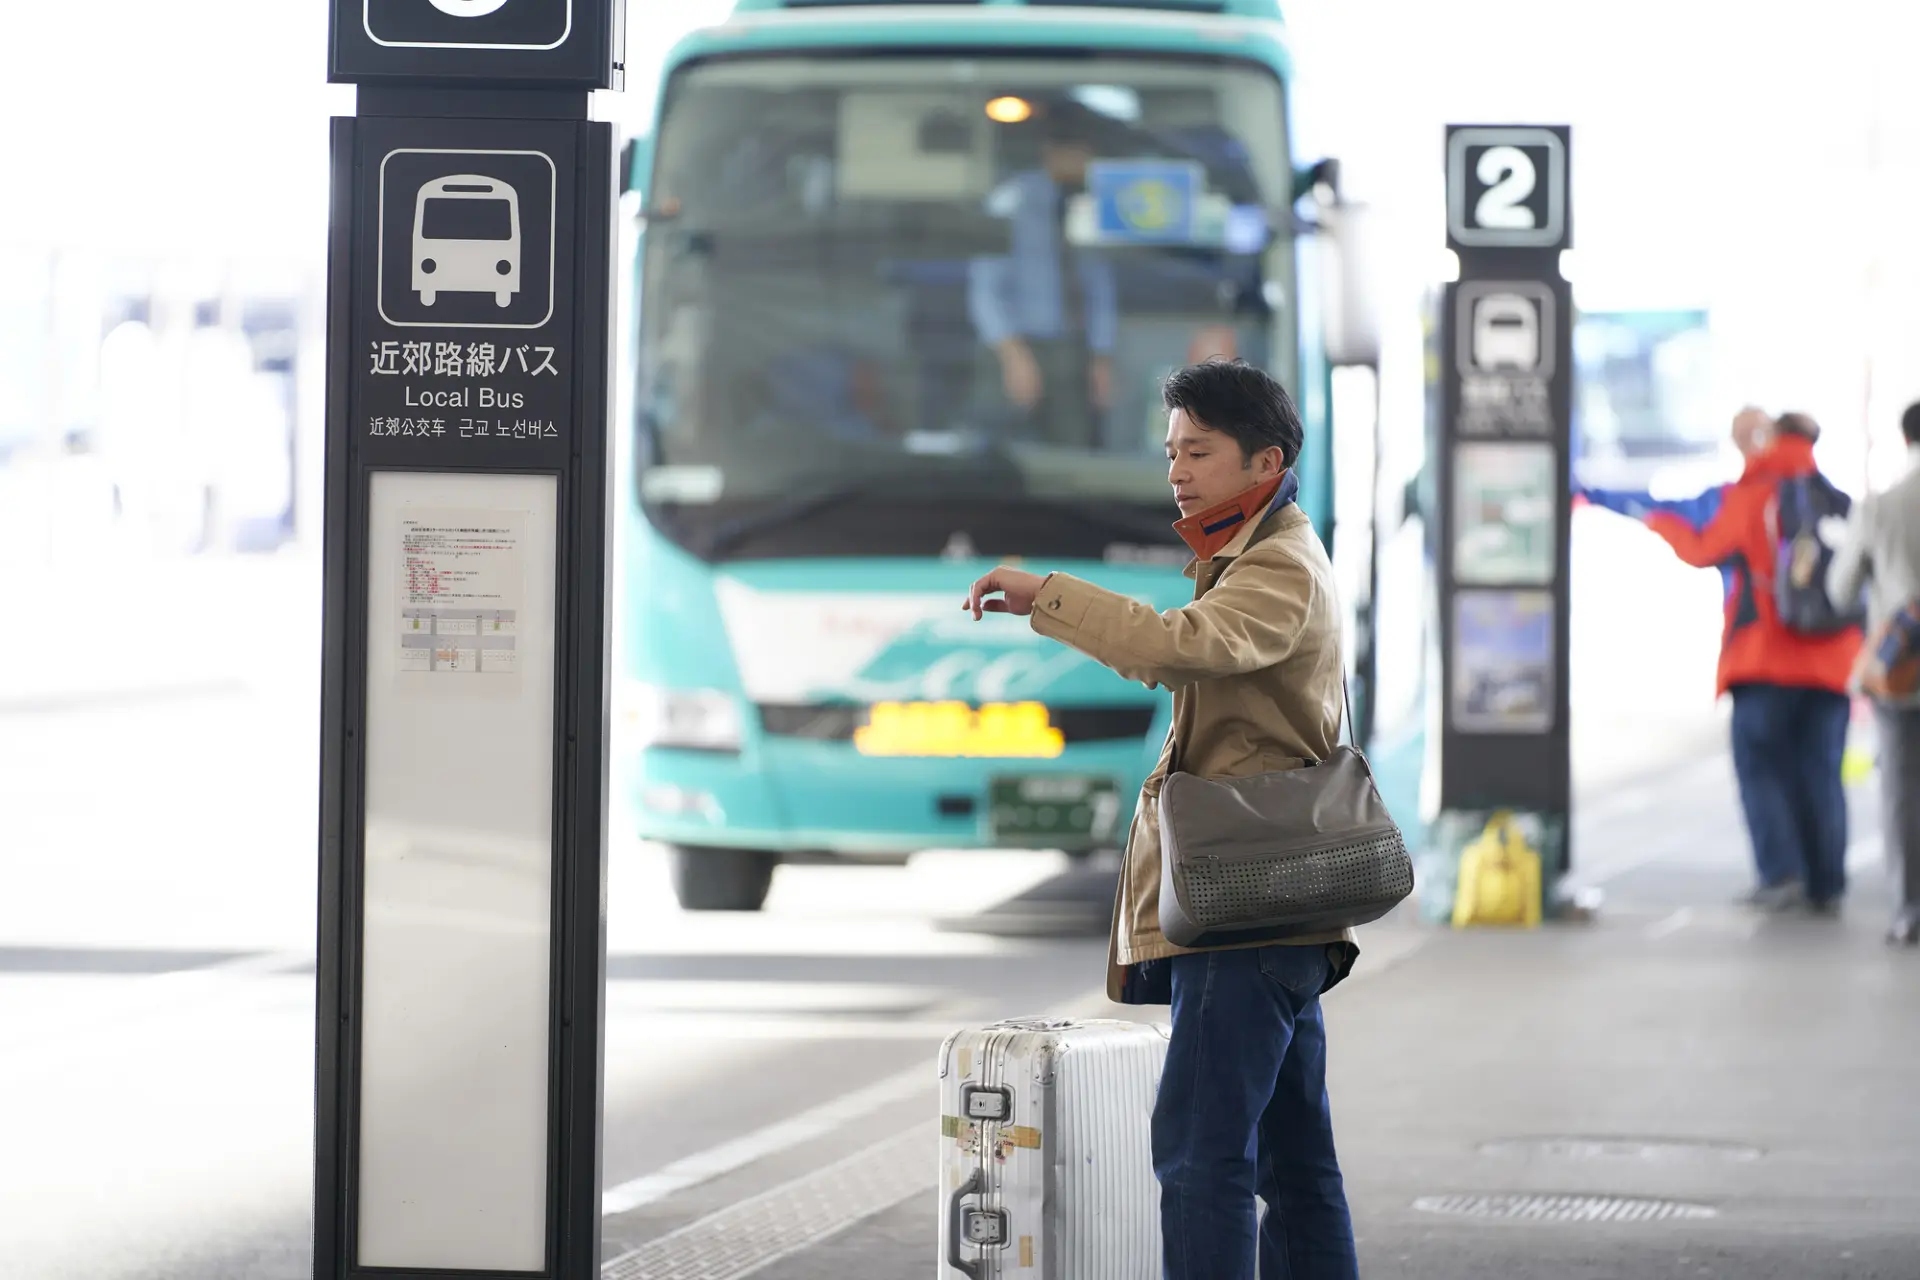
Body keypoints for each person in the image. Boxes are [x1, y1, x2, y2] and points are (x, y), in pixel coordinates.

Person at [962, 358, 1360, 1279]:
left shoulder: (1277, 566)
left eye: (1200, 451)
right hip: (1275, 907)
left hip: (1242, 908)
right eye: (1172, 451)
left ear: (1265, 462)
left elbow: (1176, 648)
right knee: (1293, 1165)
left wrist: (1046, 594)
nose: (1177, 470)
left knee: (1201, 1159)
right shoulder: (1257, 554)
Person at [1600, 410, 1861, 914]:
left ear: (1771, 439)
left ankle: (1781, 874)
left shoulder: (1749, 497)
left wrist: (1659, 523)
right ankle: (1827, 883)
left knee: (1761, 768)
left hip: (1763, 661)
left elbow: (1703, 550)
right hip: (1832, 664)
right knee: (1822, 773)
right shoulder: (1839, 502)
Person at [966, 103, 1118, 448]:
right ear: (1052, 152)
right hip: (1015, 345)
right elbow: (985, 289)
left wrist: (1101, 357)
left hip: (1071, 349)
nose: (1085, 162)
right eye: (1079, 153)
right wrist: (1014, 355)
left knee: (1074, 449)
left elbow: (1099, 285)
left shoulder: (1091, 204)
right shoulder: (1008, 202)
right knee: (1001, 450)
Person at [1826, 401, 1920, 945]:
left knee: (1902, 793)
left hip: (1902, 672)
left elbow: (1840, 590)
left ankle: (1910, 910)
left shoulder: (1880, 508)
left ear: (1905, 439)